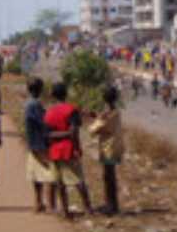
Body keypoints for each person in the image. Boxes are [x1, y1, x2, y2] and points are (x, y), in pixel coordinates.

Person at [44, 83, 93, 219]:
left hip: (54, 150)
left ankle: (65, 211)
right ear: (66, 94)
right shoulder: (71, 110)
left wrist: (59, 134)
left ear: (53, 96)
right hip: (68, 149)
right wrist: (76, 146)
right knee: (78, 180)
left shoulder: (49, 112)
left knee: (60, 183)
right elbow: (74, 132)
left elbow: (48, 134)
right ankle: (88, 208)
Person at [88, 87, 124, 215]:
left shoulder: (108, 113)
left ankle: (112, 206)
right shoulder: (114, 111)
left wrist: (95, 120)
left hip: (109, 148)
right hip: (114, 146)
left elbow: (93, 130)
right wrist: (97, 117)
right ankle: (111, 204)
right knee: (109, 176)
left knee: (109, 176)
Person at [24, 78, 58, 212]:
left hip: (33, 143)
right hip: (40, 144)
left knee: (36, 174)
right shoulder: (35, 105)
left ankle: (38, 202)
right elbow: (43, 124)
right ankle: (51, 204)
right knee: (51, 173)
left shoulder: (29, 104)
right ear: (40, 90)